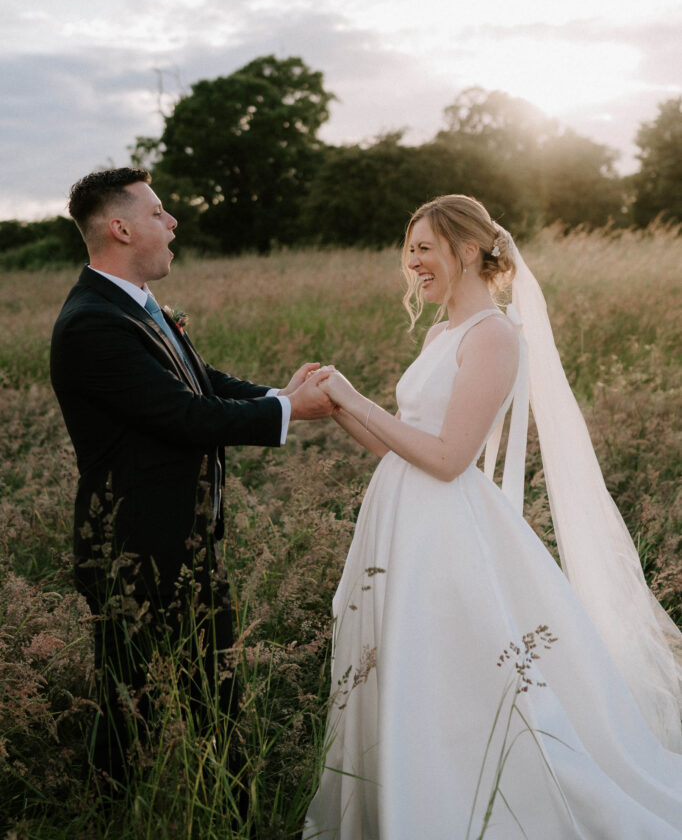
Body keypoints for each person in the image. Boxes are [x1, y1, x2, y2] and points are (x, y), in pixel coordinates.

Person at [304, 195, 682, 839]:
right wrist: (335, 402)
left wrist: (357, 398)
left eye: (425, 247)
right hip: (398, 517)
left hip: (445, 529)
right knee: (400, 665)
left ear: (471, 250)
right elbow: (400, 444)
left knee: (447, 668)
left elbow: (451, 459)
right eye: (411, 248)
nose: (413, 261)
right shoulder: (439, 334)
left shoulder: (496, 335)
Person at [50, 167, 334, 790]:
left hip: (183, 538)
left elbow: (202, 383)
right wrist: (292, 411)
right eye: (158, 212)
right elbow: (183, 416)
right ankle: (113, 818)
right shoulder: (92, 323)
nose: (172, 221)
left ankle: (229, 807)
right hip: (131, 550)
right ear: (120, 228)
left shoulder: (139, 307)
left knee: (216, 694)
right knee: (130, 710)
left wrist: (276, 393)